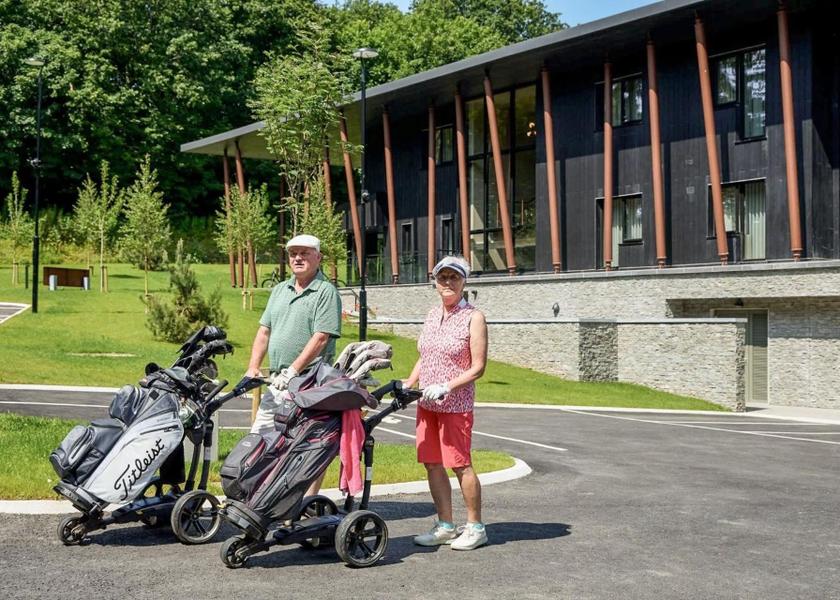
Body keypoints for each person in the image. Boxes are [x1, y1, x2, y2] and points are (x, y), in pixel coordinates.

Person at [403, 255, 489, 551]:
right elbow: (426, 355)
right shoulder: (431, 315)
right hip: (427, 404)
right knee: (432, 464)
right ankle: (445, 525)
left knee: (460, 464)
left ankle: (476, 527)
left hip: (455, 405)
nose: (448, 282)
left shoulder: (474, 317)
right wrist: (410, 382)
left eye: (454, 277)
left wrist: (446, 386)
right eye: (443, 277)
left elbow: (478, 367)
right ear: (435, 282)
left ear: (464, 282)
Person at [246, 233, 341, 496]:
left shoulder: (326, 292)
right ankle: (258, 498)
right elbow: (264, 331)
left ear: (318, 258)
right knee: (260, 438)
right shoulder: (280, 290)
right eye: (293, 254)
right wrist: (253, 367)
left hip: (310, 382)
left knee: (308, 445)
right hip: (277, 382)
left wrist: (293, 370)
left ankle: (305, 502)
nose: (297, 258)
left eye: (304, 253)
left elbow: (321, 337)